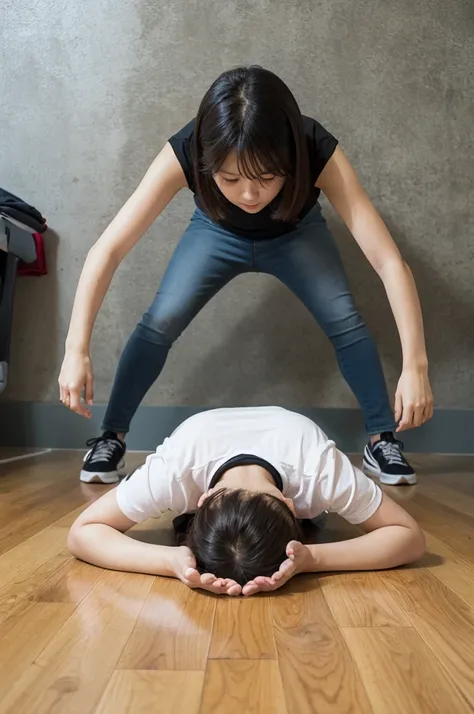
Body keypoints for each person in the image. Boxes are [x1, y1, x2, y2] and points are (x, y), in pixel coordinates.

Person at [58, 66, 433, 486]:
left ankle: (382, 440)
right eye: (230, 179)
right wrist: (76, 349)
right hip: (214, 233)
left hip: (296, 233)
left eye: (267, 177)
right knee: (160, 320)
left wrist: (415, 366)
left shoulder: (314, 147)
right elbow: (108, 249)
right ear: (206, 160)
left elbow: (388, 262)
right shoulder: (186, 148)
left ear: (289, 157)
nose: (249, 195)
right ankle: (110, 436)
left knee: (346, 322)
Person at [67, 407, 425, 596]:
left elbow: (409, 537)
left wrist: (313, 559)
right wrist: (169, 561)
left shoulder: (317, 466)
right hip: (206, 435)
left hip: (289, 434)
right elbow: (81, 532)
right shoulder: (177, 468)